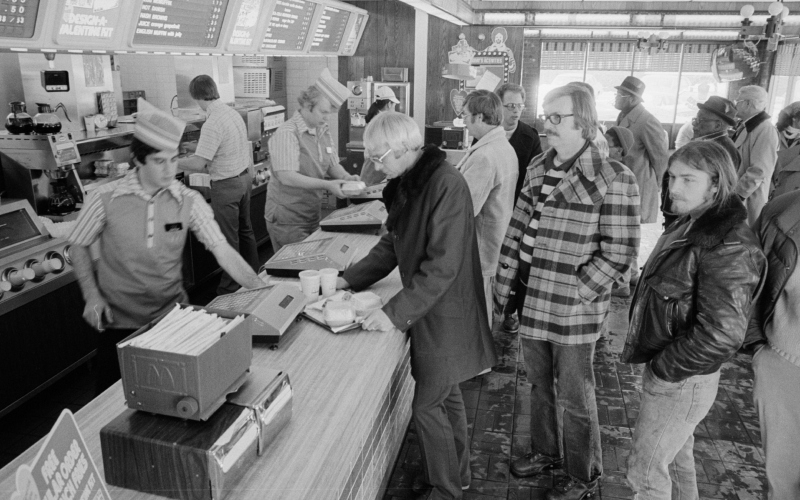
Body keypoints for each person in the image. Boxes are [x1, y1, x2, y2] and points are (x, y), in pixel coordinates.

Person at [337, 112, 496, 499]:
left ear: (407, 148)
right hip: (432, 310)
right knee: (447, 396)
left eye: (380, 157)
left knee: (427, 407)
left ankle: (445, 491)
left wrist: (391, 315)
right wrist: (347, 279)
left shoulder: (446, 185)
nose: (375, 166)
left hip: (446, 313)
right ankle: (459, 475)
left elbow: (442, 267)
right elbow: (393, 243)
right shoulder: (410, 180)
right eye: (371, 157)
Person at [69, 99, 267, 395]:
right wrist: (92, 294)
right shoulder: (105, 199)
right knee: (113, 405)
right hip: (119, 324)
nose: (168, 170)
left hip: (172, 319)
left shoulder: (187, 200)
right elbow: (77, 245)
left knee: (175, 397)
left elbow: (222, 249)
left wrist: (261, 291)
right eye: (159, 161)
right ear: (138, 160)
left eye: (173, 160)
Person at [499, 84, 640, 500]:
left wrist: (579, 290)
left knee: (576, 397)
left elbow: (620, 254)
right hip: (530, 295)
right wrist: (506, 280)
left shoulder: (614, 177)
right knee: (539, 385)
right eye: (546, 116)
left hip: (572, 307)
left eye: (556, 117)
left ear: (585, 121)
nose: (547, 124)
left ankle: (583, 474)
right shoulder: (540, 165)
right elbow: (519, 224)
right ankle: (546, 453)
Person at [623, 141, 766, 500]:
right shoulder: (691, 222)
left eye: (689, 179)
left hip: (682, 378)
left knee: (645, 474)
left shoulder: (727, 244)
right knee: (674, 461)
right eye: (672, 177)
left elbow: (722, 334)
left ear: (716, 184)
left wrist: (664, 369)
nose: (674, 188)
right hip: (681, 374)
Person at [177, 75, 259, 295]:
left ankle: (229, 288)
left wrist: (172, 161)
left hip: (227, 186)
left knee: (227, 239)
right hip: (244, 180)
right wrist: (199, 145)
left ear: (195, 96)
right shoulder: (231, 113)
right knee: (245, 231)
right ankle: (253, 277)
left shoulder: (212, 122)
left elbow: (198, 163)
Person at [265, 68, 359, 253]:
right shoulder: (287, 133)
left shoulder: (322, 130)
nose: (326, 117)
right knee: (295, 269)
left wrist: (347, 178)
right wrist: (328, 186)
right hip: (288, 219)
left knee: (311, 263)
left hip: (311, 214)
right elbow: (287, 177)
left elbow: (332, 164)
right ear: (308, 106)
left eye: (330, 113)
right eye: (323, 112)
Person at [747, 189, 800, 500]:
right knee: (783, 487)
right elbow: (747, 281)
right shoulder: (784, 211)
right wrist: (761, 351)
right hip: (787, 368)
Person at [456, 90, 518, 322]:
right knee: (484, 311)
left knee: (477, 316)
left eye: (465, 115)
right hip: (495, 240)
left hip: (481, 248)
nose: (464, 121)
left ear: (480, 117)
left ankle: (479, 356)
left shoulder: (485, 156)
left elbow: (464, 208)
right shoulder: (502, 147)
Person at [494, 83, 542, 335]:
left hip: (519, 209)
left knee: (515, 262)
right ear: (498, 106)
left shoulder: (530, 136)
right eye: (510, 106)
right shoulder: (488, 133)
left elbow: (534, 179)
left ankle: (510, 311)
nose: (515, 111)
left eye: (519, 106)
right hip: (493, 208)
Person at [662, 96, 741, 228]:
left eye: (701, 120)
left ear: (717, 125)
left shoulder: (723, 150)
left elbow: (720, 192)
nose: (695, 124)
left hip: (695, 217)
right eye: (695, 119)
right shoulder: (703, 143)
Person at [614, 75, 669, 225]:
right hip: (622, 182)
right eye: (617, 94)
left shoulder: (647, 121)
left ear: (632, 99)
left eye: (620, 95)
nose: (616, 98)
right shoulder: (622, 115)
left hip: (638, 184)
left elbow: (660, 159)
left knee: (630, 227)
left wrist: (656, 185)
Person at [733, 85, 779, 225]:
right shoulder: (747, 126)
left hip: (747, 199)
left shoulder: (765, 130)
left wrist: (737, 196)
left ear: (748, 103)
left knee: (744, 240)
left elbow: (759, 171)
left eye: (738, 101)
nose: (735, 105)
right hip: (738, 196)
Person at [360, 86, 400, 186]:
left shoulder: (377, 117)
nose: (394, 109)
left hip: (375, 164)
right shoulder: (380, 121)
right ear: (389, 104)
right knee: (371, 196)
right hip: (374, 167)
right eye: (394, 105)